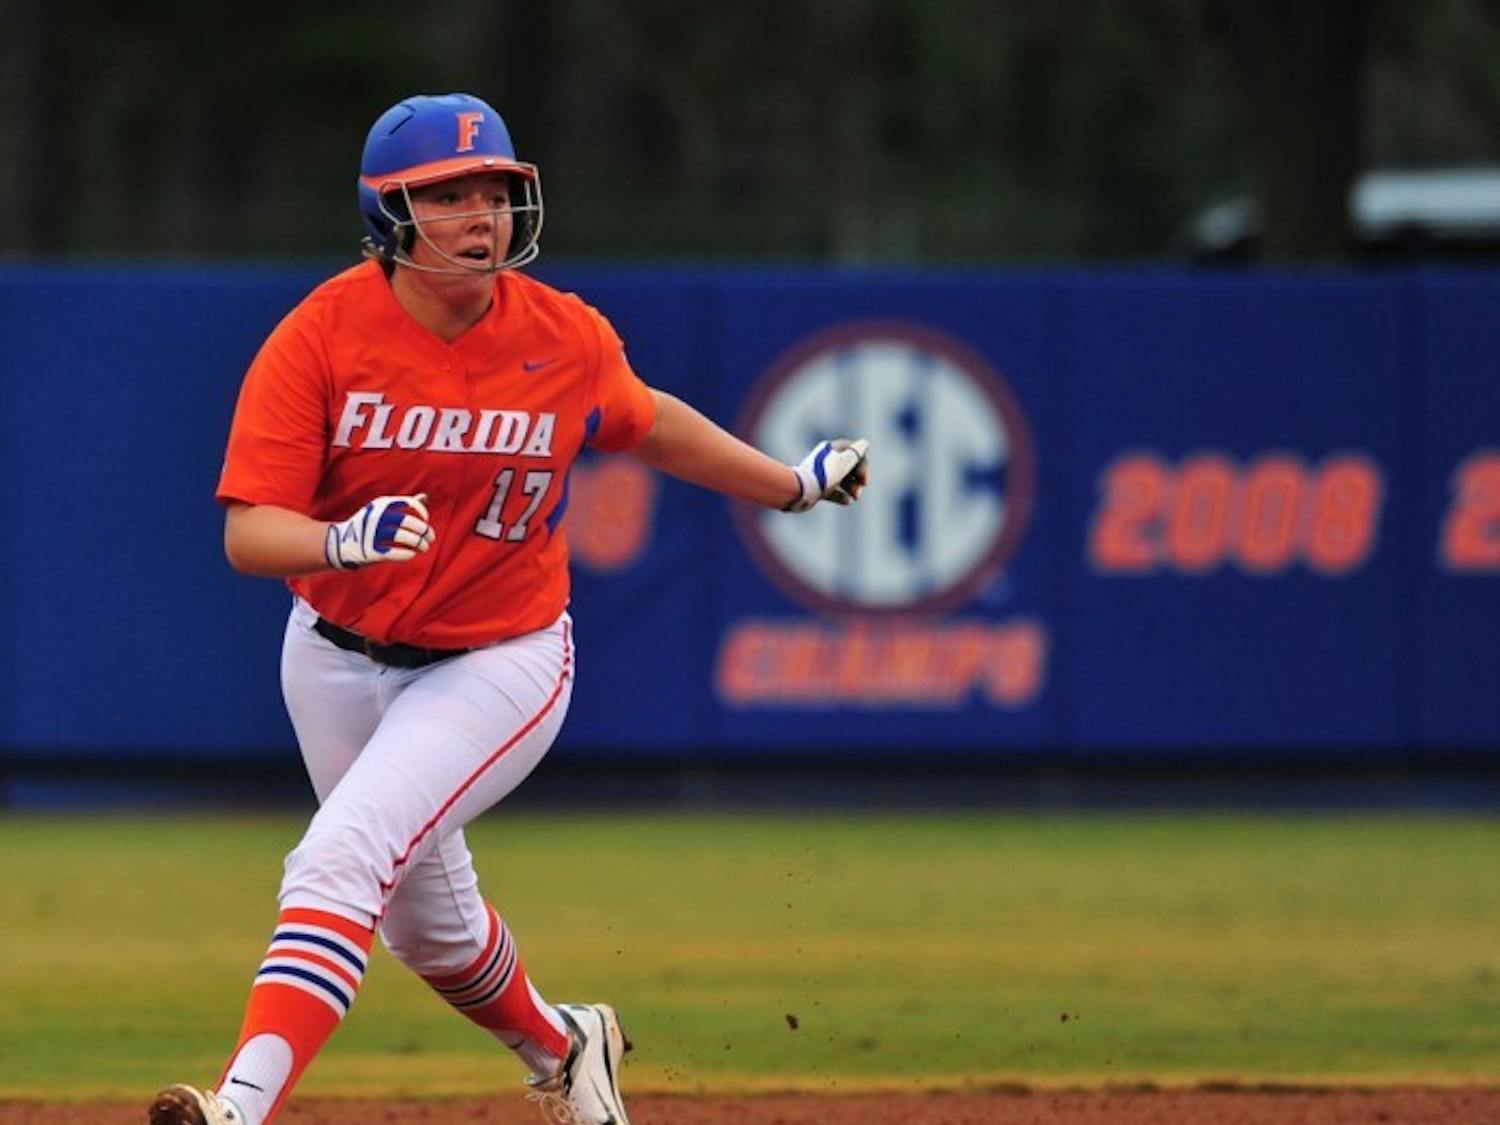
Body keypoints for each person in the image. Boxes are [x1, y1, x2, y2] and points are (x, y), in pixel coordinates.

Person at [147, 92, 868, 1125]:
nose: (481, 213)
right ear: (389, 214)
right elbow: (247, 531)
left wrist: (790, 486)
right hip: (334, 652)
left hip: (499, 657)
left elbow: (650, 421)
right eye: (448, 194)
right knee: (423, 931)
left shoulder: (562, 336)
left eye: (496, 189)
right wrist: (338, 540)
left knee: (342, 852)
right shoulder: (317, 337)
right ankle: (566, 1046)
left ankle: (239, 1107)